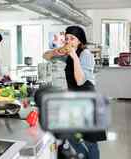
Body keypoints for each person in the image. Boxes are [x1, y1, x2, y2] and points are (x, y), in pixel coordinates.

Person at [43, 26, 106, 159]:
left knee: (90, 141)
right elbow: (45, 56)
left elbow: (80, 81)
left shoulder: (85, 55)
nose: (69, 41)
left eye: (72, 38)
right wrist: (57, 51)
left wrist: (74, 57)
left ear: (79, 41)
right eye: (66, 38)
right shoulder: (67, 54)